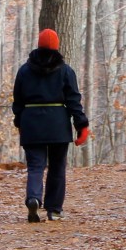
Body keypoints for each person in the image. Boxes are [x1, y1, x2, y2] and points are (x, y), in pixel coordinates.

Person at [12, 29, 89, 223]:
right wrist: (81, 125)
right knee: (57, 167)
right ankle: (54, 209)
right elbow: (73, 100)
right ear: (56, 46)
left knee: (35, 166)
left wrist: (19, 121)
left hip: (31, 123)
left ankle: (33, 198)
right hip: (57, 124)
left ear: (38, 45)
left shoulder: (24, 70)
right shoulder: (65, 70)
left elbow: (18, 101)